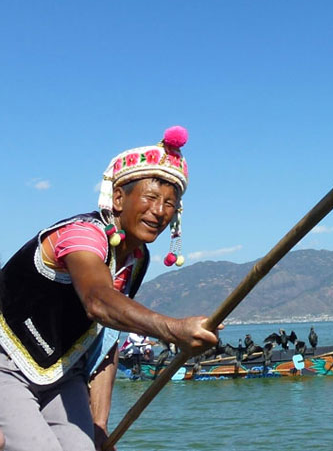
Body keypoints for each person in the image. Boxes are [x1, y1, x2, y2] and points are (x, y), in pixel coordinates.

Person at [0, 127, 220, 451]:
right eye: (151, 197)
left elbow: (106, 337)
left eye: (170, 203)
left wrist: (99, 424)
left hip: (61, 374)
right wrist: (173, 329)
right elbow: (98, 302)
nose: (159, 212)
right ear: (119, 198)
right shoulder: (82, 235)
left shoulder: (136, 259)